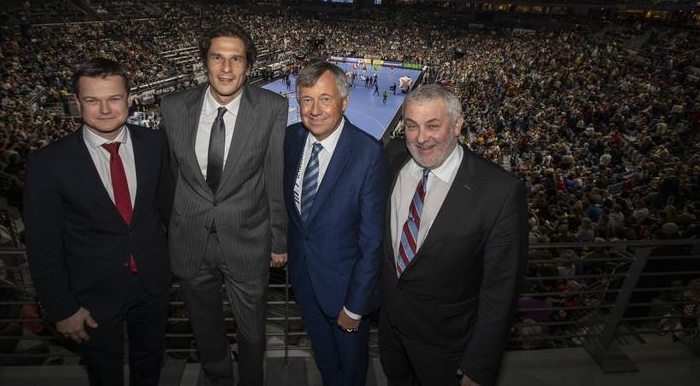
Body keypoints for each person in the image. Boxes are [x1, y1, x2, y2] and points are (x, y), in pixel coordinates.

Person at [24, 58, 174, 386]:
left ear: (129, 100)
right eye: (93, 100)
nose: (105, 109)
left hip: (152, 284)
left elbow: (167, 212)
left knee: (149, 362)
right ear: (77, 104)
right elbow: (42, 246)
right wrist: (61, 308)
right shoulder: (47, 164)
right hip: (90, 295)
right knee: (103, 373)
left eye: (114, 98)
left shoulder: (156, 144)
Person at [159, 25, 287, 386]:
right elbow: (170, 175)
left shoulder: (272, 107)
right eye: (218, 57)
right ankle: (218, 379)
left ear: (248, 66)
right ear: (204, 62)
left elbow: (273, 177)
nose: (226, 68)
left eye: (236, 58)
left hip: (248, 238)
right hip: (189, 239)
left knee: (252, 329)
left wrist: (279, 240)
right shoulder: (172, 107)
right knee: (205, 326)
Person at [379, 84, 527, 386]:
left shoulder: (500, 191)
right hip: (390, 329)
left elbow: (502, 290)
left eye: (433, 125)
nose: (421, 138)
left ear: (458, 125)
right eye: (412, 126)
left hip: (447, 345)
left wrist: (480, 364)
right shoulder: (392, 156)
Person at [283, 62, 388, 386]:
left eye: (325, 99)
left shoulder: (368, 153)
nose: (314, 110)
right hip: (304, 282)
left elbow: (372, 242)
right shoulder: (291, 138)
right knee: (327, 364)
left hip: (344, 294)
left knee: (352, 372)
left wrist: (356, 307)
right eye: (306, 99)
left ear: (344, 102)